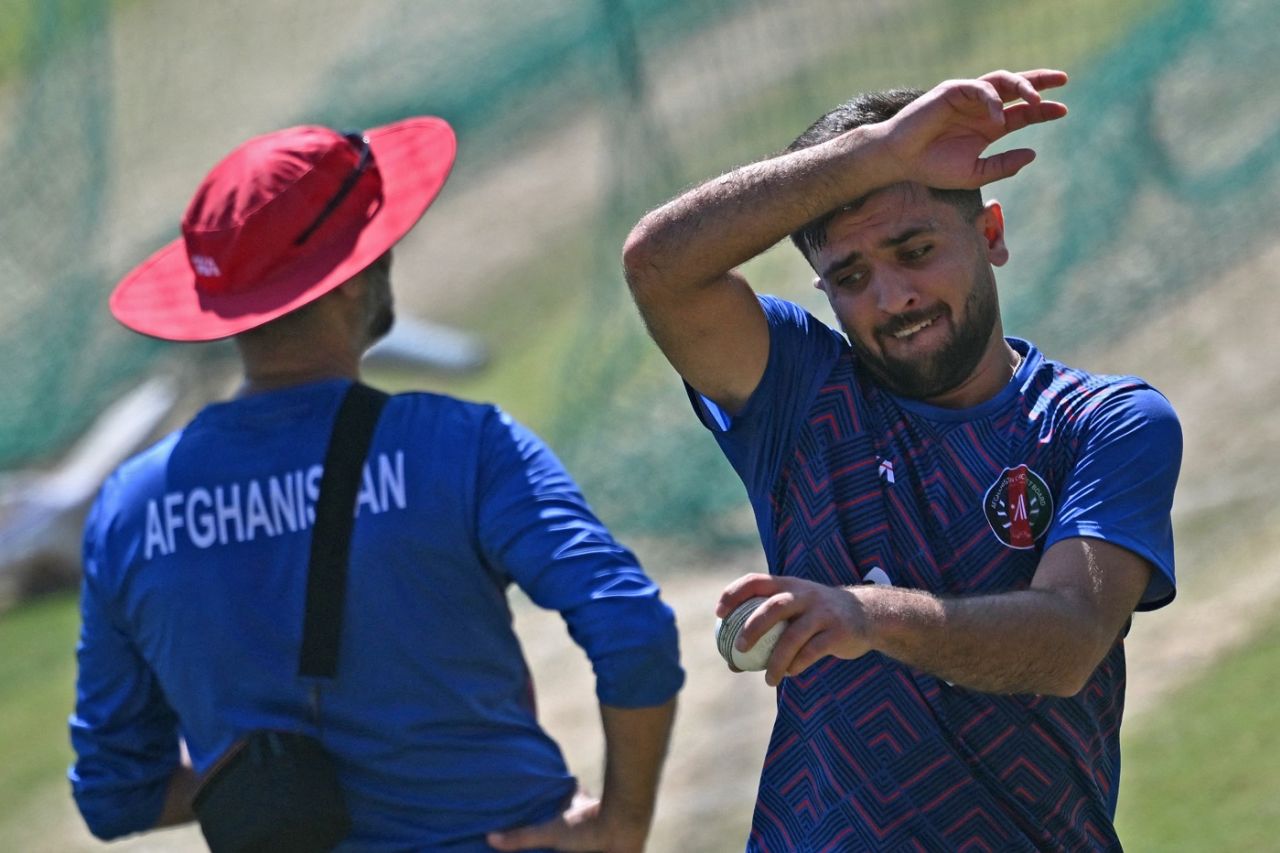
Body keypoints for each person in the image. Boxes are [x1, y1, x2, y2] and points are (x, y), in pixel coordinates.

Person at [69, 117, 683, 852]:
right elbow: (632, 625)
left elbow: (113, 791)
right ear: (354, 273)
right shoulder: (463, 445)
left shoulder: (129, 510)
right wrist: (622, 822)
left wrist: (267, 779)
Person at [622, 69, 1181, 850]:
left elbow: (1069, 639)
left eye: (915, 250)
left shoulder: (1102, 422)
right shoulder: (801, 397)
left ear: (989, 235)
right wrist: (877, 153)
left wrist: (868, 614)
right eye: (849, 278)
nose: (892, 297)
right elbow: (660, 265)